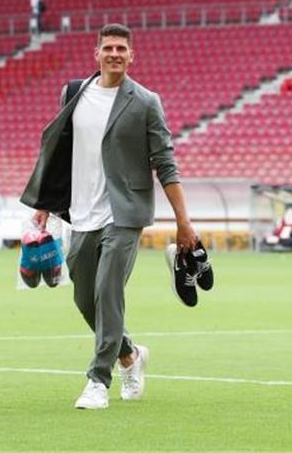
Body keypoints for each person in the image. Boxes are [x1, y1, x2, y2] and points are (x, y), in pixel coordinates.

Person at [20, 23, 198, 410]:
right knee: (86, 299)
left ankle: (97, 381)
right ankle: (130, 355)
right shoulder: (74, 94)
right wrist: (44, 204)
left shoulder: (146, 102)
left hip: (124, 214)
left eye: (122, 49)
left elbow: (166, 163)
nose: (115, 54)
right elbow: (58, 153)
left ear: (132, 56)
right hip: (80, 213)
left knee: (108, 291)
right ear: (96, 53)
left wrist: (184, 221)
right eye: (108, 48)